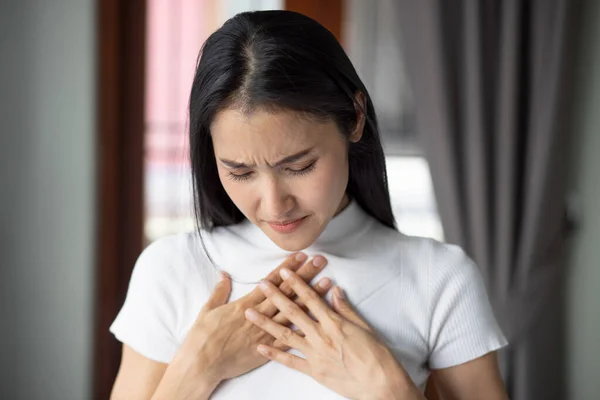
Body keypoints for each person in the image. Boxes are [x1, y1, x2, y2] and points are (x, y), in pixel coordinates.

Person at [109, 10, 508, 400]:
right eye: (241, 172)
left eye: (299, 166)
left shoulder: (439, 280)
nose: (274, 204)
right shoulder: (171, 270)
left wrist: (390, 392)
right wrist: (197, 369)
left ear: (354, 117)